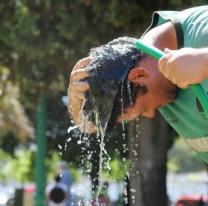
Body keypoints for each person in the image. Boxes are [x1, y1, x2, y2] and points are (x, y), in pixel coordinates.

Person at [68, 6, 208, 163]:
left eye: (144, 109)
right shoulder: (147, 81)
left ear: (139, 75)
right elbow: (87, 126)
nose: (151, 114)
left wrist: (204, 61)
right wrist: (75, 93)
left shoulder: (202, 29)